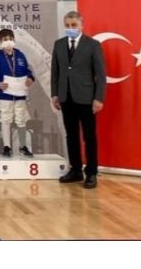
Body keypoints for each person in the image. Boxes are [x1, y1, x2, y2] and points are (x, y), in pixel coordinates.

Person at [51, 11, 106, 189]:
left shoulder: (93, 45)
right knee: (71, 135)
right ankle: (75, 170)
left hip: (86, 98)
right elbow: (55, 72)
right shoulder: (59, 44)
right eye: (67, 25)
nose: (71, 28)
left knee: (89, 137)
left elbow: (100, 74)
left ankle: (91, 173)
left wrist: (98, 98)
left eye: (74, 25)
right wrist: (55, 94)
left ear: (81, 25)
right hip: (65, 97)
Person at [0, 29, 36, 158]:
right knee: (6, 118)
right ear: (0, 41)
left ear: (14, 40)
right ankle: (7, 147)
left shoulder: (20, 55)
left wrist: (30, 78)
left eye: (10, 39)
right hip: (5, 92)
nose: (8, 42)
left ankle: (23, 146)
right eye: (5, 39)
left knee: (21, 118)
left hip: (20, 92)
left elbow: (28, 70)